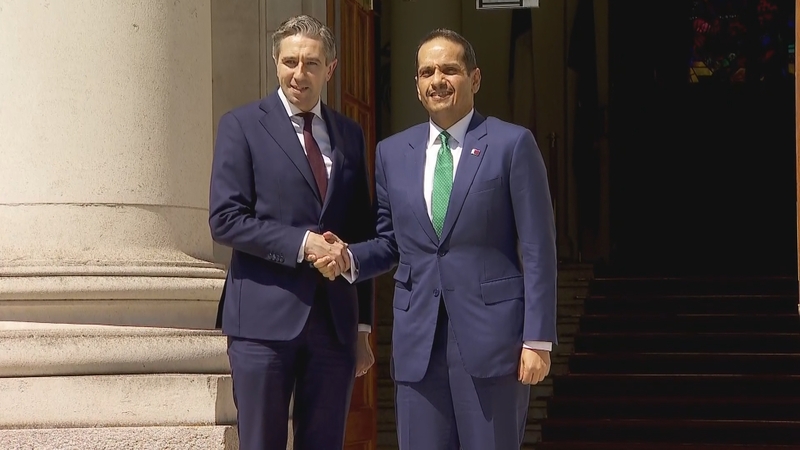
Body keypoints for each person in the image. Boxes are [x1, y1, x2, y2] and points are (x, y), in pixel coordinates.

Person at [314, 28, 557, 449]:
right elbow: (390, 242)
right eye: (427, 71)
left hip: (493, 344)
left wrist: (537, 339)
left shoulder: (511, 144)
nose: (437, 80)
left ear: (475, 79)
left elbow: (538, 248)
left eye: (449, 69)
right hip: (418, 346)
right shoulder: (392, 152)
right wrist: (349, 257)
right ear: (416, 84)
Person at [208, 14, 375, 450]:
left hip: (333, 325)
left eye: (311, 63)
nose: (298, 74)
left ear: (331, 69)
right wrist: (302, 244)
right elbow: (225, 218)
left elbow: (363, 232)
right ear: (276, 63)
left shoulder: (350, 135)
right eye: (289, 62)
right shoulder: (241, 125)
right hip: (262, 323)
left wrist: (361, 329)